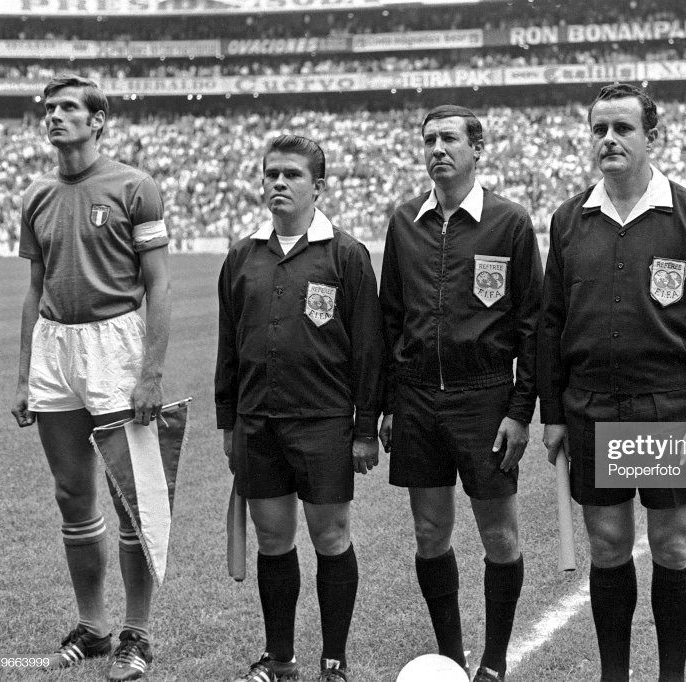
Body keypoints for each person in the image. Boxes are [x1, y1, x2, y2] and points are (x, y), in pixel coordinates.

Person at [538, 83, 686, 682]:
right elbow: (550, 323)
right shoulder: (570, 219)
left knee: (673, 547)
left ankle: (670, 675)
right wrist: (552, 413)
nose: (609, 140)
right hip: (592, 408)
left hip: (665, 410)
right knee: (609, 548)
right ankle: (614, 675)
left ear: (653, 136)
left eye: (622, 128)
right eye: (600, 130)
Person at [9, 74, 170, 681]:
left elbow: (159, 284)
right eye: (49, 108)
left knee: (131, 502)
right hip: (55, 347)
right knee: (73, 496)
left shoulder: (134, 185)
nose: (54, 116)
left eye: (69, 108)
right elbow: (32, 289)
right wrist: (24, 375)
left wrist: (150, 371)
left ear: (98, 120)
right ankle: (94, 626)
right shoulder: (34, 194)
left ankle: (137, 633)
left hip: (117, 345)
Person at [379, 105, 542, 682]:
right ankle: (450, 657)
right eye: (429, 140)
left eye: (449, 139)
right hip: (418, 401)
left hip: (485, 400)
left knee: (499, 534)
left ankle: (494, 661)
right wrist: (388, 404)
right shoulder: (403, 223)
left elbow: (532, 329)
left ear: (478, 149)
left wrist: (520, 413)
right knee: (430, 533)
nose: (437, 149)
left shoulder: (510, 223)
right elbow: (389, 319)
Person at [216, 134, 383, 682]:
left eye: (291, 174)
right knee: (273, 540)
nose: (279, 183)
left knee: (331, 538)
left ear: (319, 185)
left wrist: (363, 429)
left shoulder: (347, 255)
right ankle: (280, 658)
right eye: (271, 174)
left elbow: (367, 349)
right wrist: (228, 420)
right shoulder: (242, 255)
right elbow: (228, 344)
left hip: (323, 423)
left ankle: (333, 661)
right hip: (258, 423)